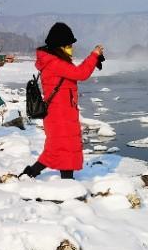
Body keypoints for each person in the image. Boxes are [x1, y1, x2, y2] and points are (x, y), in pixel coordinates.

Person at [21, 22, 104, 180]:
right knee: (66, 149)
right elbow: (80, 73)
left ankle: (31, 173)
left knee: (56, 149)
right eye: (68, 45)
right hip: (60, 115)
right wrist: (93, 55)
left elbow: (75, 73)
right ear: (59, 46)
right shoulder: (54, 63)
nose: (71, 48)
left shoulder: (56, 62)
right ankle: (68, 185)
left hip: (61, 113)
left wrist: (94, 60)